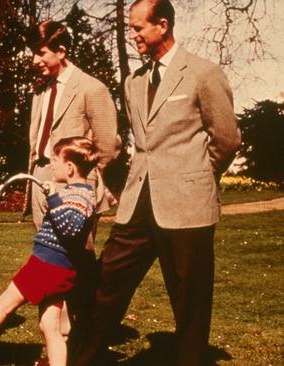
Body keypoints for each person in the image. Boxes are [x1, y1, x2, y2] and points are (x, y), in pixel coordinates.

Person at [73, 1, 241, 365]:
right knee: (107, 281)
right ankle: (82, 358)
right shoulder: (133, 82)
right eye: (131, 29)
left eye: (138, 28)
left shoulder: (203, 73)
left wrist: (195, 176)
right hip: (138, 202)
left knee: (189, 298)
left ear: (162, 25)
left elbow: (226, 140)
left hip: (187, 205)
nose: (132, 36)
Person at [0, 137, 99, 366]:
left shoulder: (79, 196)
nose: (51, 164)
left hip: (46, 267)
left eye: (55, 160)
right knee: (49, 325)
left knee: (2, 307)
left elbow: (70, 228)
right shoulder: (79, 192)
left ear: (70, 167)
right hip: (59, 270)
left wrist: (53, 198)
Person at [24, 19, 120, 358]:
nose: (34, 59)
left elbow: (107, 146)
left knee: (78, 260)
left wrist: (83, 185)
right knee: (50, 260)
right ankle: (57, 338)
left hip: (74, 189)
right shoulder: (40, 89)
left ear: (62, 51)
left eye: (41, 52)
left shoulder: (91, 88)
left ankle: (83, 337)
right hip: (42, 182)